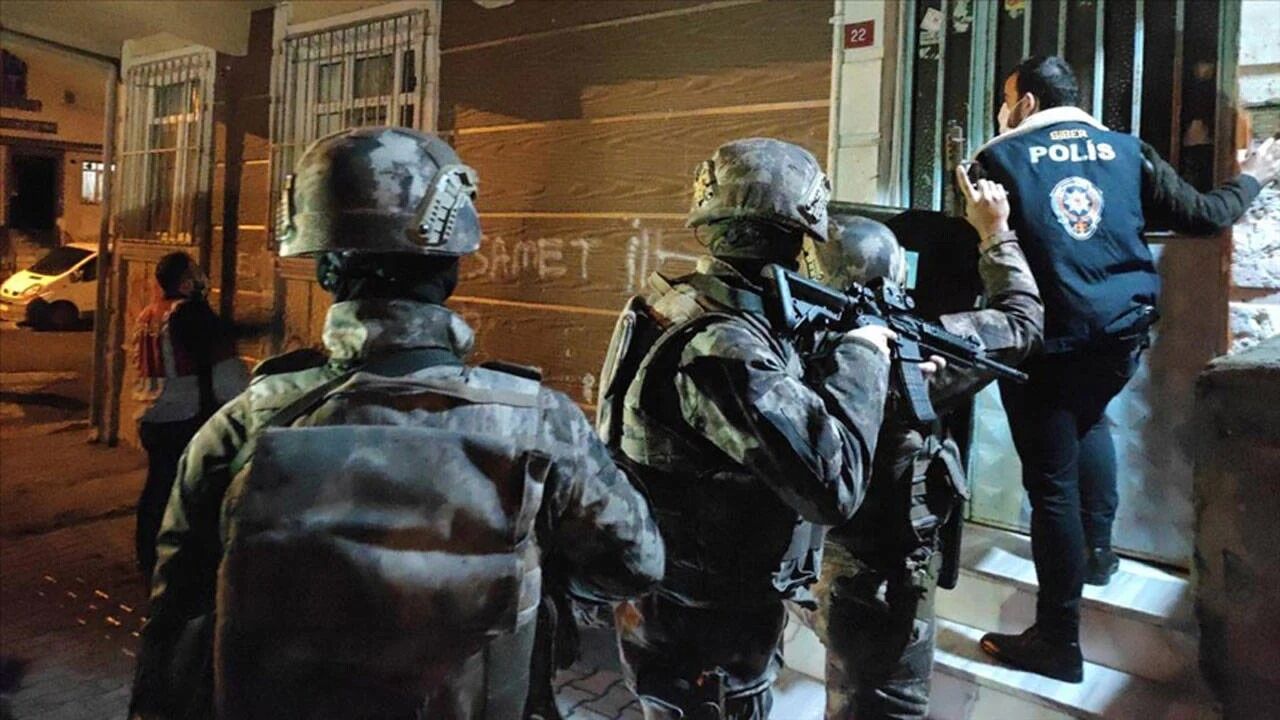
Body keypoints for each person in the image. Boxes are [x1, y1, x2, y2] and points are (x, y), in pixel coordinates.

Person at [128, 127, 665, 720]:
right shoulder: (539, 424)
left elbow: (174, 633)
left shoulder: (239, 429)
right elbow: (636, 563)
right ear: (450, 267)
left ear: (325, 269)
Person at [971, 55, 1280, 682]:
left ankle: (1058, 640)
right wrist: (1251, 178)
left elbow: (981, 246)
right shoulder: (1127, 150)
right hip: (1119, 335)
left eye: (1006, 99)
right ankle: (1099, 555)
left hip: (1045, 342)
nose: (1002, 111)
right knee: (1090, 422)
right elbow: (1203, 215)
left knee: (1051, 486)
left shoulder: (996, 159)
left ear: (1026, 103)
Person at [596, 137, 895, 719]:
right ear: (799, 237)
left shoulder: (680, 304)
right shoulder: (725, 347)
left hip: (675, 597)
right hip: (706, 627)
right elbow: (833, 487)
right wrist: (864, 356)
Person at [809, 169, 1043, 719]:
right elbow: (1021, 321)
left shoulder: (780, 343)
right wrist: (995, 232)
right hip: (883, 575)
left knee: (848, 689)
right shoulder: (913, 355)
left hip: (815, 552)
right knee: (883, 703)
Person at [132, 251, 247, 581]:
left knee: (157, 486)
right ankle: (175, 560)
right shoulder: (186, 313)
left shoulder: (149, 314)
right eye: (193, 272)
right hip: (182, 414)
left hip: (150, 414)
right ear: (183, 281)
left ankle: (147, 553)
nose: (199, 277)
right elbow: (219, 343)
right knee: (186, 490)